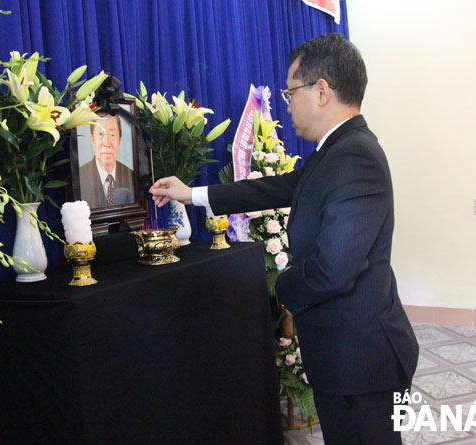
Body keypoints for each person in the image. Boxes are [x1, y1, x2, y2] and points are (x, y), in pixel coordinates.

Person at [150, 33, 419, 444]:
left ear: (322, 91)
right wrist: (194, 195)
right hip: (347, 355)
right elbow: (275, 188)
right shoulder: (335, 151)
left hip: (363, 363)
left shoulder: (356, 156)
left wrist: (278, 291)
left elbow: (332, 271)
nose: (288, 102)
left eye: (290, 91)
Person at [79, 112, 134, 208]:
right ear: (92, 140)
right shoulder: (80, 177)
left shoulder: (131, 176)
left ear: (120, 140)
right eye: (100, 134)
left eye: (112, 135)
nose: (106, 143)